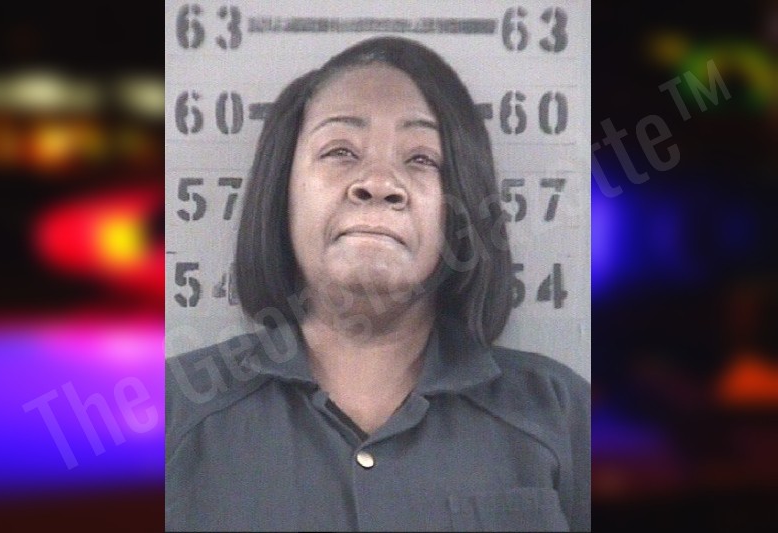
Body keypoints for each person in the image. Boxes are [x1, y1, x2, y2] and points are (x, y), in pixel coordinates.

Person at [166, 36, 590, 532]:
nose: (379, 182)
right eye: (340, 151)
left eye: (421, 159)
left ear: (460, 208)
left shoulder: (563, 415)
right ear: (281, 192)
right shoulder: (171, 413)